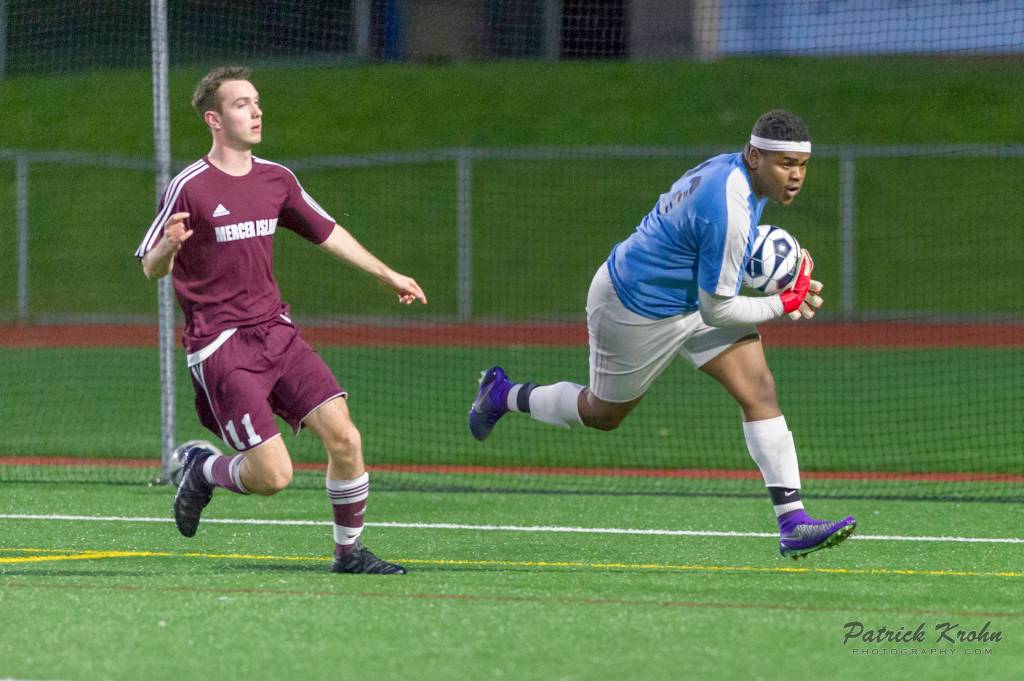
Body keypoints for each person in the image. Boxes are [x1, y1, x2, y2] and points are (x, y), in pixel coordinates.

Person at [469, 110, 856, 559]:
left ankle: (793, 523)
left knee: (759, 389)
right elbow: (720, 308)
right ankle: (501, 394)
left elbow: (710, 273)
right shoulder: (727, 201)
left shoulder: (736, 174)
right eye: (784, 164)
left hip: (689, 298)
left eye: (802, 165)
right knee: (602, 413)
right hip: (635, 305)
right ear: (754, 156)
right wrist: (782, 303)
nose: (795, 176)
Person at [136, 66, 427, 574]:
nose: (256, 111)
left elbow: (328, 231)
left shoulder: (277, 179)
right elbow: (150, 267)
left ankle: (349, 553)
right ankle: (203, 470)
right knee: (273, 477)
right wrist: (168, 246)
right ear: (214, 119)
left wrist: (387, 273)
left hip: (276, 330)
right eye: (241, 104)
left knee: (346, 437)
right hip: (221, 344)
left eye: (256, 102)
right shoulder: (188, 187)